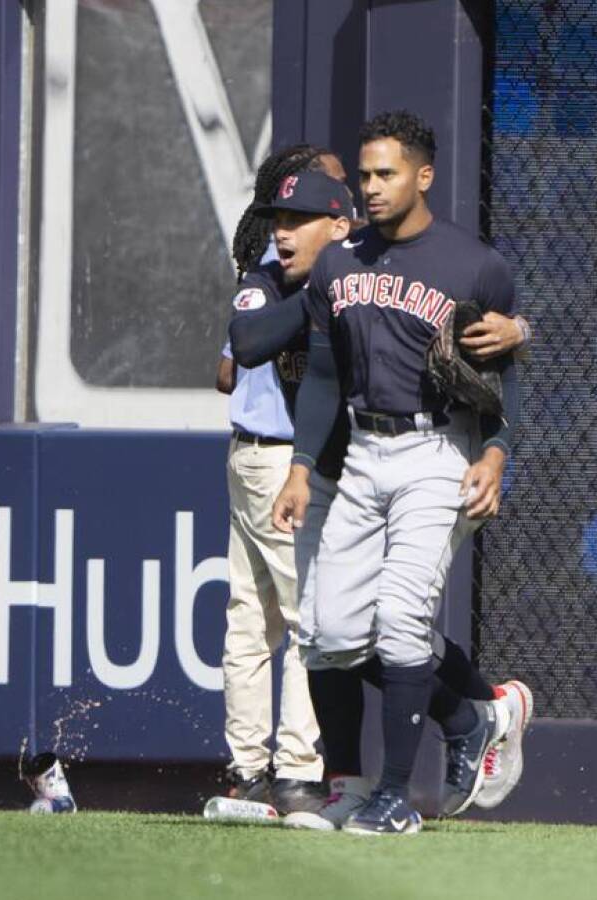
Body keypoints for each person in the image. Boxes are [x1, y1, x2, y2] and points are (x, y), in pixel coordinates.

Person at [272, 110, 523, 835]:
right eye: (367, 173)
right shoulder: (339, 261)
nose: (373, 187)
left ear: (423, 175)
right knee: (328, 631)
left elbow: (509, 374)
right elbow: (321, 375)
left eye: (386, 174)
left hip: (436, 453)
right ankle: (467, 720)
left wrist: (497, 453)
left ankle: (393, 797)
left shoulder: (475, 266)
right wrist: (297, 466)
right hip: (361, 451)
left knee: (402, 618)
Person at [214, 145, 351, 815]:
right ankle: (295, 768)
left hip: (251, 452)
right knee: (299, 617)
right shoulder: (271, 272)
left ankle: (246, 768)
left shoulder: (279, 271)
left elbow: (222, 374)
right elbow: (239, 351)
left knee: (251, 618)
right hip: (276, 459)